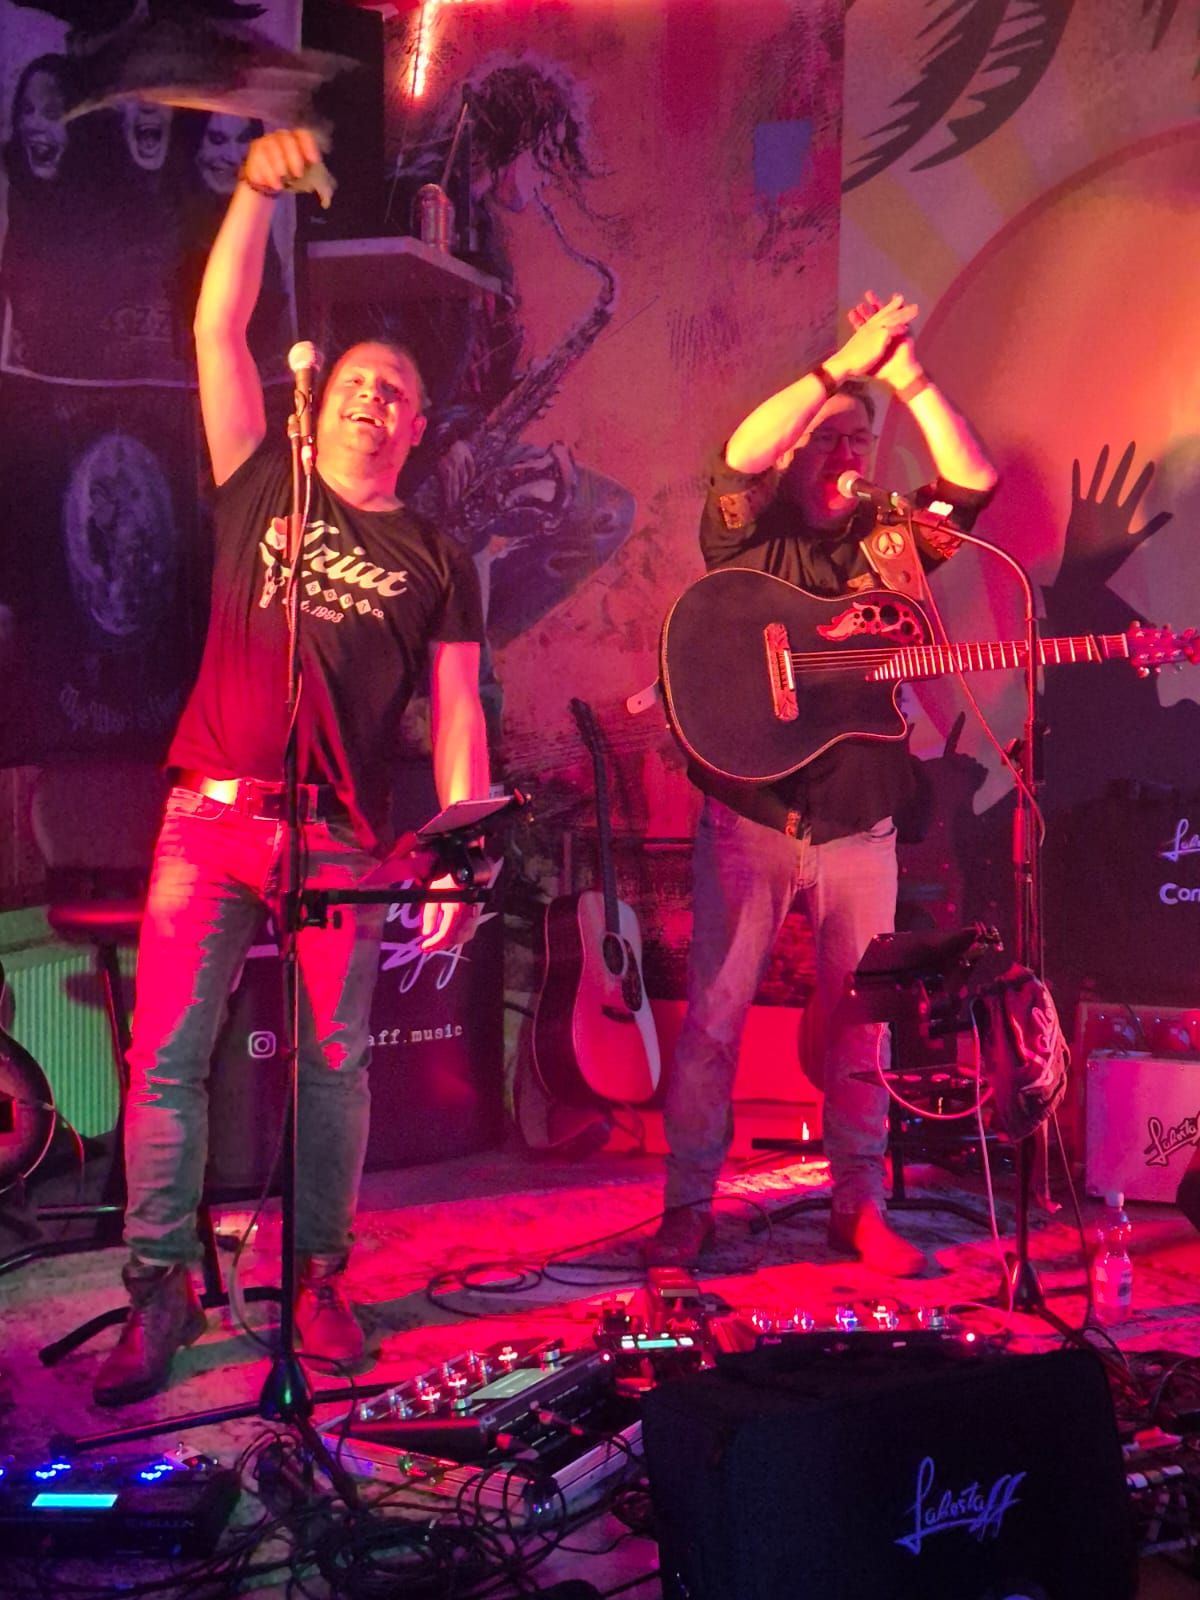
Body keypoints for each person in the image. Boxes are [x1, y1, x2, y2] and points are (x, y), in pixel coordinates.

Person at [93, 126, 490, 1407]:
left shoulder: (437, 558)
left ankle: (318, 1275)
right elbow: (218, 329)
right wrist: (256, 192)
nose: (373, 395)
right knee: (165, 1057)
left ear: (417, 428)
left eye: (396, 390)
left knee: (334, 1062)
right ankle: (159, 1288)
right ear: (317, 403)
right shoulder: (260, 478)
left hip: (344, 836)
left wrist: (458, 845)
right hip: (210, 818)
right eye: (357, 379)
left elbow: (458, 711)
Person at [645, 290, 999, 1276]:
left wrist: (907, 376)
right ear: (799, 452)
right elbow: (741, 451)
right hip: (752, 817)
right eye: (828, 440)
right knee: (715, 1021)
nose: (845, 455)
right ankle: (687, 1205)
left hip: (860, 824)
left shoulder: (891, 541)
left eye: (858, 443)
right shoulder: (748, 534)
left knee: (861, 1024)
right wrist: (842, 370)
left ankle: (858, 1203)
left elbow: (972, 478)